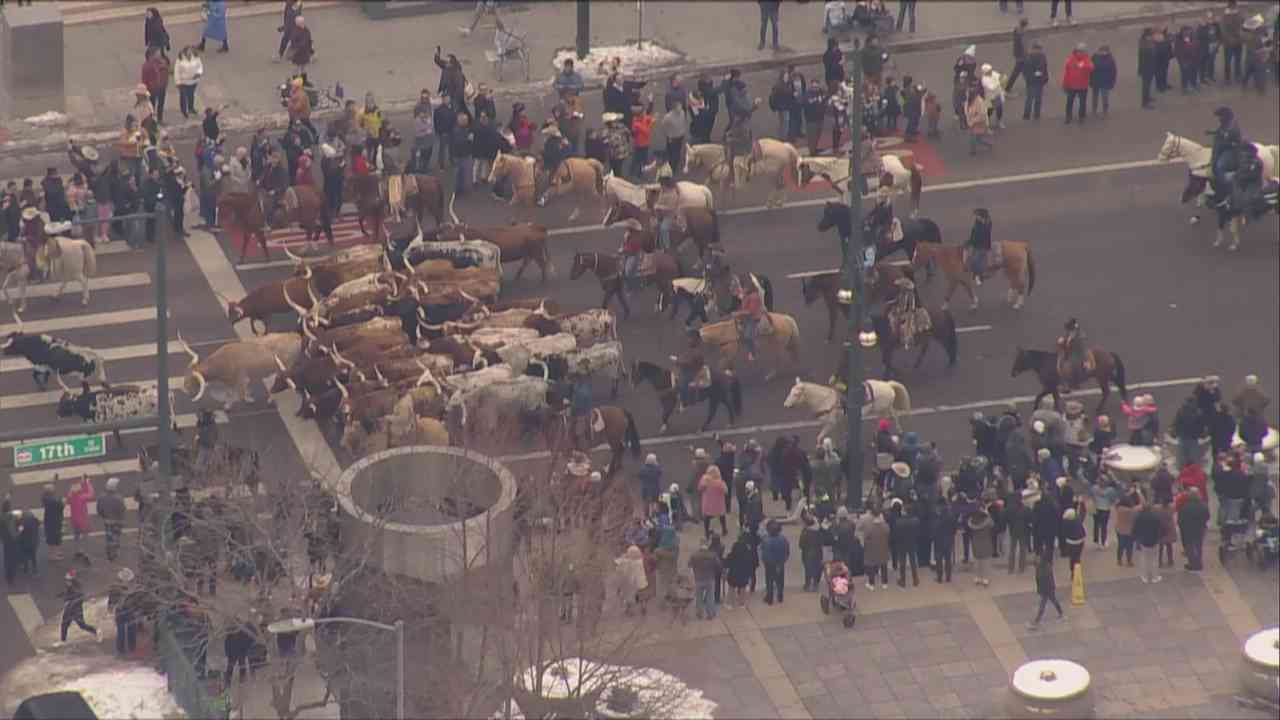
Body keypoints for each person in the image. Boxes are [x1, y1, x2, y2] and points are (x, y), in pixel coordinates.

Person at [1027, 550, 1065, 629]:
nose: (1036, 559)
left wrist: (1042, 591)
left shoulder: (1045, 568)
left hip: (1047, 589)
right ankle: (1061, 613)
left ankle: (1036, 621)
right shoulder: (1040, 566)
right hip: (1047, 588)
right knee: (1054, 600)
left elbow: (1045, 581)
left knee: (1042, 605)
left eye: (1038, 558)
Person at [58, 570, 99, 643]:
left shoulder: (77, 588)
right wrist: (62, 595)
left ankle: (95, 631)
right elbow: (67, 594)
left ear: (72, 580)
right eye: (66, 580)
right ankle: (63, 640)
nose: (66, 582)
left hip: (76, 609)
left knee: (82, 625)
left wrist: (71, 602)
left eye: (68, 580)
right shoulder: (69, 586)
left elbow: (81, 598)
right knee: (64, 624)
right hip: (69, 608)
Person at [857, 503, 891, 590]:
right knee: (883, 564)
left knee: (871, 565)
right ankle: (885, 583)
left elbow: (865, 536)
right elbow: (888, 533)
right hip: (883, 547)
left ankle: (871, 584)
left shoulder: (870, 527)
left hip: (871, 548)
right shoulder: (885, 526)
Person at [687, 537, 721, 620]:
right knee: (710, 597)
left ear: (700, 545)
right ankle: (710, 614)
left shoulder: (694, 555)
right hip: (710, 578)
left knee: (699, 597)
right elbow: (718, 565)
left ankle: (699, 613)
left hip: (698, 579)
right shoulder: (713, 555)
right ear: (707, 544)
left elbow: (689, 565)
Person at [1177, 489, 1210, 571]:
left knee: (1190, 546)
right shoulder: (1203, 505)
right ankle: (1199, 563)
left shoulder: (1185, 507)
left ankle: (1192, 564)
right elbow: (1207, 516)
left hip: (1188, 529)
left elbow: (1180, 520)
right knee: (1199, 545)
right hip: (1200, 528)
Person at [1061, 42, 1093, 124]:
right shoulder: (1070, 60)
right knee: (1069, 102)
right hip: (1072, 86)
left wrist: (1083, 65)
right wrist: (1065, 84)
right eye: (1079, 51)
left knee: (1082, 103)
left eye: (1082, 51)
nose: (1080, 53)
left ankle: (1081, 117)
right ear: (1076, 51)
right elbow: (1066, 73)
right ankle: (1068, 117)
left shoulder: (1087, 59)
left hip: (1083, 86)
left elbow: (1091, 68)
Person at [760, 519, 789, 605]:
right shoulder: (783, 539)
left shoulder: (766, 541)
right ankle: (780, 596)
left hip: (770, 565)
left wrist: (766, 562)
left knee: (769, 581)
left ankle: (770, 598)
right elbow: (787, 551)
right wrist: (783, 561)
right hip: (780, 563)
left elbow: (765, 555)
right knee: (780, 580)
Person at [724, 532, 757, 609]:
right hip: (743, 573)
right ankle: (741, 604)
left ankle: (729, 604)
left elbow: (728, 561)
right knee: (742, 589)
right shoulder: (748, 551)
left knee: (731, 589)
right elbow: (750, 563)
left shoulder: (734, 550)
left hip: (734, 573)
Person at [892, 501, 920, 587]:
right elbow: (918, 532)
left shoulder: (898, 522)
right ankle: (915, 579)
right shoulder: (915, 520)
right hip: (912, 542)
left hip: (902, 544)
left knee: (902, 562)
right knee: (913, 561)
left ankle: (903, 580)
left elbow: (895, 534)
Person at [1133, 500, 1161, 583]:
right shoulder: (1155, 516)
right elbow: (1160, 528)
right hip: (1154, 540)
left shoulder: (1139, 517)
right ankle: (1155, 577)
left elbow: (1135, 529)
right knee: (1154, 559)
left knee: (1144, 559)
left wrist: (1137, 537)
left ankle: (1144, 577)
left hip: (1143, 540)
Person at [698, 465, 729, 538]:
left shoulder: (704, 480)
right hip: (718, 504)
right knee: (722, 516)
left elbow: (699, 488)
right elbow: (726, 491)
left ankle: (706, 532)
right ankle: (724, 529)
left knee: (707, 518)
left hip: (707, 504)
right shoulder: (720, 482)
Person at [964, 208, 993, 285]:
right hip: (976, 245)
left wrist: (971, 242)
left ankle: (979, 276)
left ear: (981, 215)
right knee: (974, 261)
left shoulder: (986, 224)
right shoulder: (977, 222)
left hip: (982, 246)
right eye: (976, 215)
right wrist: (969, 242)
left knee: (976, 261)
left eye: (977, 215)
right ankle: (977, 275)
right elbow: (973, 233)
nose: (976, 217)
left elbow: (981, 235)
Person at [173, 47, 203, 121]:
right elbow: (176, 71)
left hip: (193, 81)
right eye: (188, 51)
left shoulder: (196, 57)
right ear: (185, 52)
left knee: (191, 95)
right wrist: (177, 82)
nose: (190, 53)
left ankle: (191, 108)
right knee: (183, 97)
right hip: (183, 82)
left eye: (191, 51)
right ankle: (184, 111)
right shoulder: (180, 59)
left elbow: (200, 66)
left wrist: (199, 73)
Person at [1220, 0, 1245, 83]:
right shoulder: (1224, 16)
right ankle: (1227, 78)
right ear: (1229, 5)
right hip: (1228, 43)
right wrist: (1230, 38)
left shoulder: (1240, 14)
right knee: (1228, 61)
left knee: (1237, 60)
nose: (1233, 6)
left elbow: (1243, 26)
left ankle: (1237, 76)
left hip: (1238, 42)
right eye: (1232, 5)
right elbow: (1223, 30)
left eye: (1234, 5)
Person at [1088, 45, 1117, 117]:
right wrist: (1090, 80)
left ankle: (1105, 111)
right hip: (1096, 81)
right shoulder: (1094, 57)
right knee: (1095, 97)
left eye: (1105, 51)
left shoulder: (1110, 59)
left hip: (1105, 81)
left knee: (1105, 97)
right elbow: (1090, 69)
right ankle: (1094, 111)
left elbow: (1113, 71)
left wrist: (1112, 82)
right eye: (1102, 51)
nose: (1103, 52)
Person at [1023, 42, 1049, 120]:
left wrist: (1045, 77)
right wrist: (1038, 75)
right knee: (1031, 99)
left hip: (1038, 81)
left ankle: (1034, 115)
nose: (1039, 51)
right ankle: (1028, 115)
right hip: (1033, 81)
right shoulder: (1029, 58)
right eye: (1038, 49)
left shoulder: (1041, 57)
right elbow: (1026, 71)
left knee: (1036, 99)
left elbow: (1044, 68)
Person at [965, 88, 992, 156]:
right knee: (975, 138)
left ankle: (973, 150)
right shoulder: (968, 100)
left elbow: (982, 115)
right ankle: (986, 145)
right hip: (972, 123)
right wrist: (970, 122)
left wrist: (973, 121)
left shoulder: (979, 102)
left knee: (975, 138)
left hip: (980, 123)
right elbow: (967, 112)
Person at [1006, 18, 1029, 93]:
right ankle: (1008, 88)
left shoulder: (1017, 30)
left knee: (1024, 70)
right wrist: (1027, 53)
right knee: (1017, 72)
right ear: (1025, 25)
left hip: (1018, 54)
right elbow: (1023, 46)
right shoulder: (1021, 34)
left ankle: (1030, 84)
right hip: (1021, 56)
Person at [1175, 25, 1200, 93]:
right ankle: (1184, 88)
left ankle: (1193, 85)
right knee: (1185, 74)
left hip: (1194, 59)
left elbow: (1197, 47)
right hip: (1185, 60)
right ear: (1182, 32)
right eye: (1185, 32)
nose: (1187, 33)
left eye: (1189, 31)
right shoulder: (1179, 40)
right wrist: (1182, 62)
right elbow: (1178, 53)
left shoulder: (1194, 38)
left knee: (1193, 73)